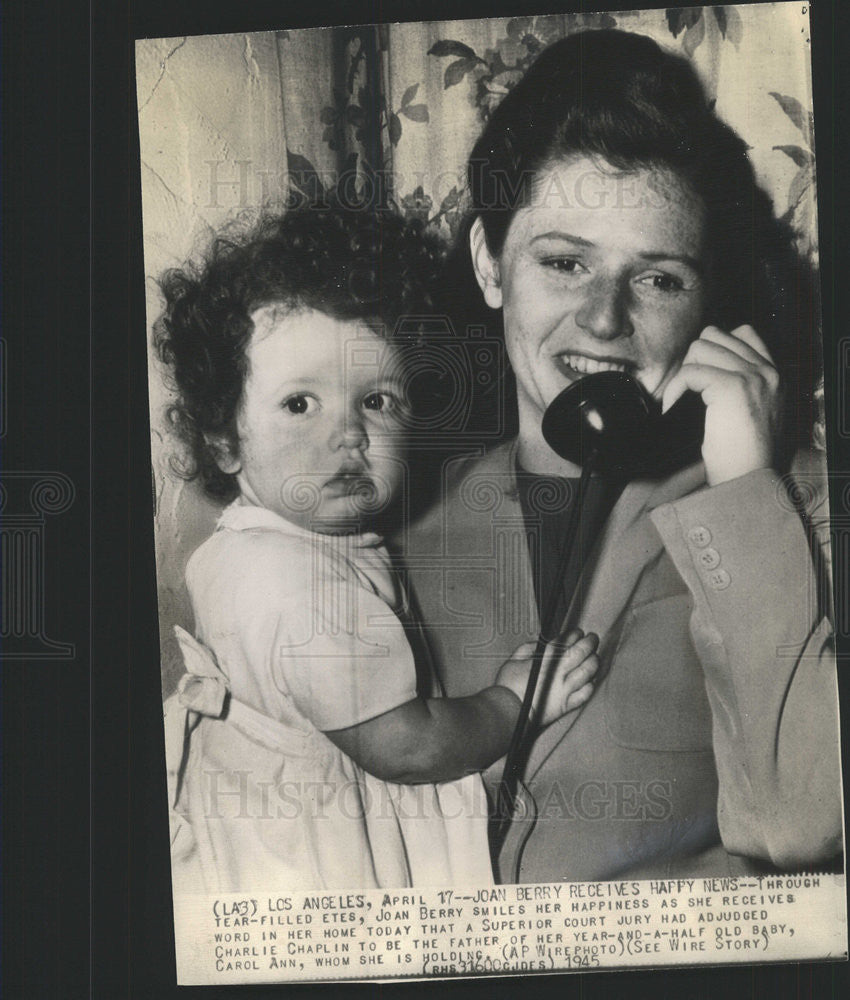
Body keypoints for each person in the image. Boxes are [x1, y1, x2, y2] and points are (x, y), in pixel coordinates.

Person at [405, 29, 842, 883]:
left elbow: (800, 828)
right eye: (565, 262)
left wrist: (747, 491)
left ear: (707, 306)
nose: (604, 320)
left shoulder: (801, 509)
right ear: (491, 265)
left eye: (658, 278)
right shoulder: (394, 528)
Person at [155, 203, 600, 893]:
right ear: (223, 440)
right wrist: (514, 703)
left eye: (377, 400)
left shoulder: (246, 541)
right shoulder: (305, 591)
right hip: (324, 867)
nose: (350, 435)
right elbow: (411, 747)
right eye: (300, 404)